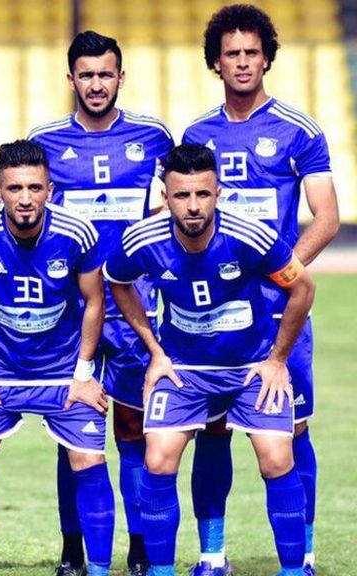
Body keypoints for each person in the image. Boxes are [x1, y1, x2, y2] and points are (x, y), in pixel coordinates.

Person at [105, 142, 316, 576]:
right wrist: (155, 351)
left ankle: (296, 570)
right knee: (158, 458)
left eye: (203, 194)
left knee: (277, 457)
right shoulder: (143, 239)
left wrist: (277, 360)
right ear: (166, 196)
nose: (193, 206)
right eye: (182, 195)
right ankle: (165, 571)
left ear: (218, 193)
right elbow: (117, 281)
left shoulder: (250, 235)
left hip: (250, 367)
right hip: (185, 370)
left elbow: (303, 289)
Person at [181, 6, 339, 575]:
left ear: (267, 58)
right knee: (211, 431)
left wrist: (282, 273)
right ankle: (212, 556)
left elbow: (326, 217)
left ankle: (304, 554)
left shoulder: (299, 130)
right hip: (214, 317)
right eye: (232, 54)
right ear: (216, 63)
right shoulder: (197, 134)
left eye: (252, 52)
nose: (242, 62)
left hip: (277, 314)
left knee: (292, 432)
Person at [28, 30, 174, 576]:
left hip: (137, 313)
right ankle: (74, 550)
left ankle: (139, 547)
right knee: (73, 436)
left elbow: (175, 207)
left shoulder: (153, 137)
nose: (95, 84)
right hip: (71, 316)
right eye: (86, 75)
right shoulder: (44, 140)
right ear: (71, 79)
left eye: (105, 74)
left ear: (120, 77)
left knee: (134, 432)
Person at [0, 140, 114, 576]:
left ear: (50, 190)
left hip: (63, 371)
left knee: (90, 464)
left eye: (35, 188)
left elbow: (94, 301)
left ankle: (99, 571)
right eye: (15, 188)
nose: (25, 199)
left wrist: (83, 375)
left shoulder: (78, 232)